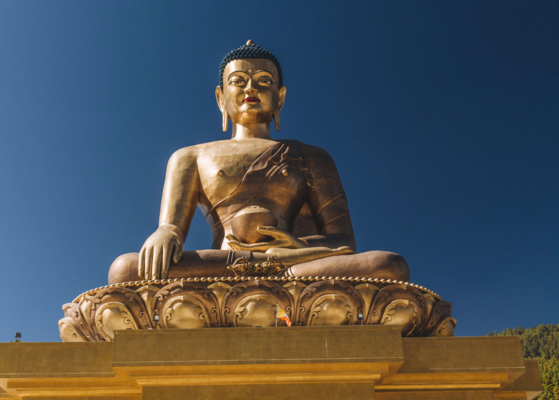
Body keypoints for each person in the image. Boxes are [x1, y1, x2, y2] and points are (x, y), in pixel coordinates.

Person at [108, 40, 409, 285]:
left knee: (387, 266)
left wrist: (291, 251)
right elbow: (171, 227)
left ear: (280, 97)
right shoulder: (189, 157)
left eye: (263, 81)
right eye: (238, 81)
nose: (250, 89)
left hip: (292, 266)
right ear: (220, 97)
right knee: (125, 270)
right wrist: (166, 233)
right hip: (223, 264)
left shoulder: (312, 156)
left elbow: (343, 241)